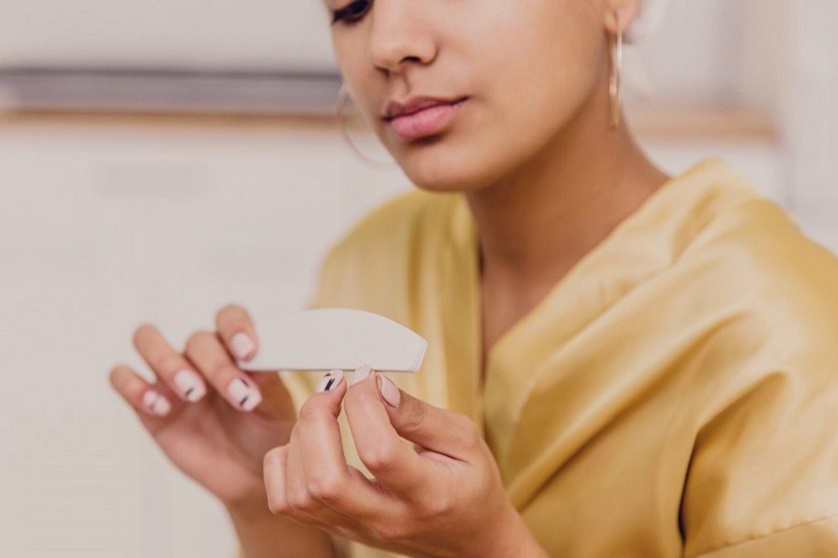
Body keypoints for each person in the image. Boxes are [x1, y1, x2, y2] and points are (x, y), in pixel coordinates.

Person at [109, 0, 838, 556]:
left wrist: (487, 545)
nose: (389, 44)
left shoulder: (790, 340)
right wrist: (263, 504)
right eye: (351, 6)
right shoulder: (372, 262)